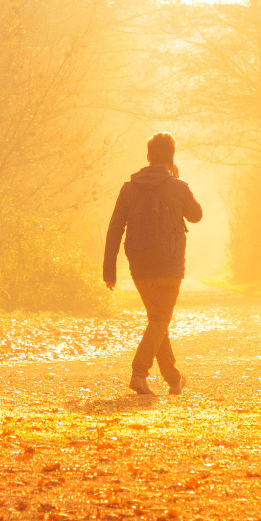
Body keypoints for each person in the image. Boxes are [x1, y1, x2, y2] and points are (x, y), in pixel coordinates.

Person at [103, 132, 203, 395]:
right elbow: (196, 216)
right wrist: (177, 180)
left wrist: (109, 271)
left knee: (157, 321)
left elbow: (114, 229)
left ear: (147, 157)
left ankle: (173, 378)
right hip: (169, 266)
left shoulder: (128, 188)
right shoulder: (178, 187)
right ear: (172, 158)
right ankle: (139, 373)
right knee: (159, 320)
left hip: (140, 266)